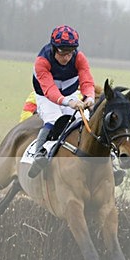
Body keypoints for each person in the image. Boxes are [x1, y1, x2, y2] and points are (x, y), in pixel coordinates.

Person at [28, 25, 96, 178]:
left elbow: (87, 82)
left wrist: (89, 97)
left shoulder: (79, 58)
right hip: (45, 96)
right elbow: (50, 90)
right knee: (54, 119)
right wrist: (68, 102)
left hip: (69, 93)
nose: (66, 57)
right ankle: (39, 155)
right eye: (62, 53)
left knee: (83, 119)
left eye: (70, 53)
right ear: (53, 48)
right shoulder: (42, 61)